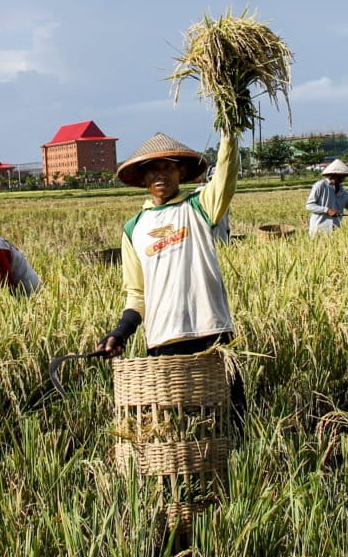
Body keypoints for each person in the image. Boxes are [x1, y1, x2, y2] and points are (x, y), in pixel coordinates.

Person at [97, 132, 244, 419]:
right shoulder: (134, 229)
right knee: (177, 425)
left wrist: (229, 133)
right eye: (153, 169)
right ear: (143, 178)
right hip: (164, 339)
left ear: (181, 173)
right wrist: (120, 332)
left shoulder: (200, 207)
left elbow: (226, 175)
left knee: (228, 420)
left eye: (168, 167)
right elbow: (137, 293)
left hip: (211, 331)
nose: (160, 174)